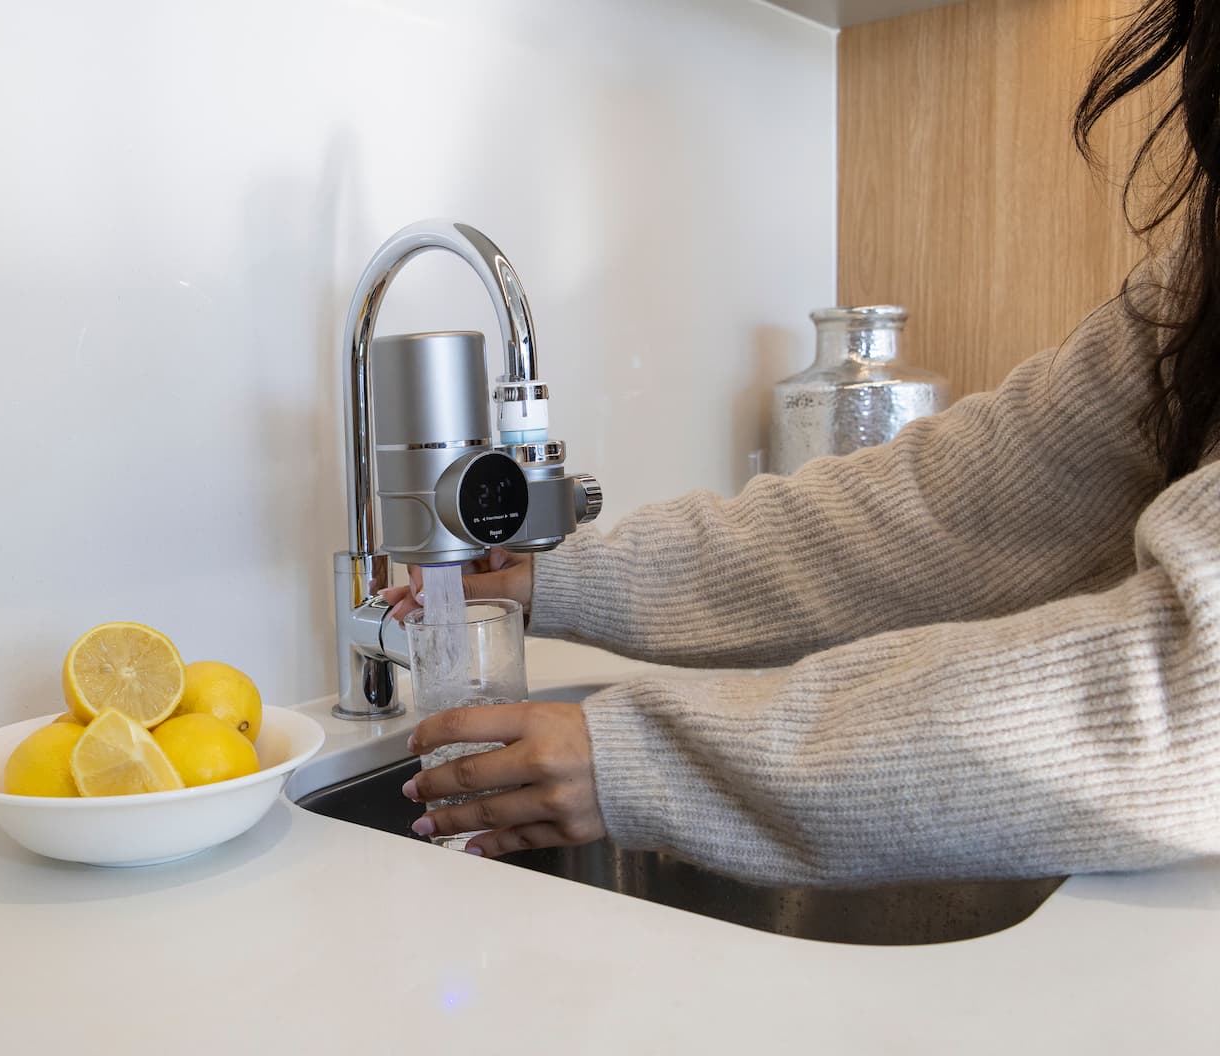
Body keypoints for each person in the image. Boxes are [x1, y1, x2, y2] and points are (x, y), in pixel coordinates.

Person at [379, 1, 1220, 885]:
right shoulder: (1193, 289)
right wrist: (570, 578)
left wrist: (643, 758)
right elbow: (946, 513)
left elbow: (1190, 695)